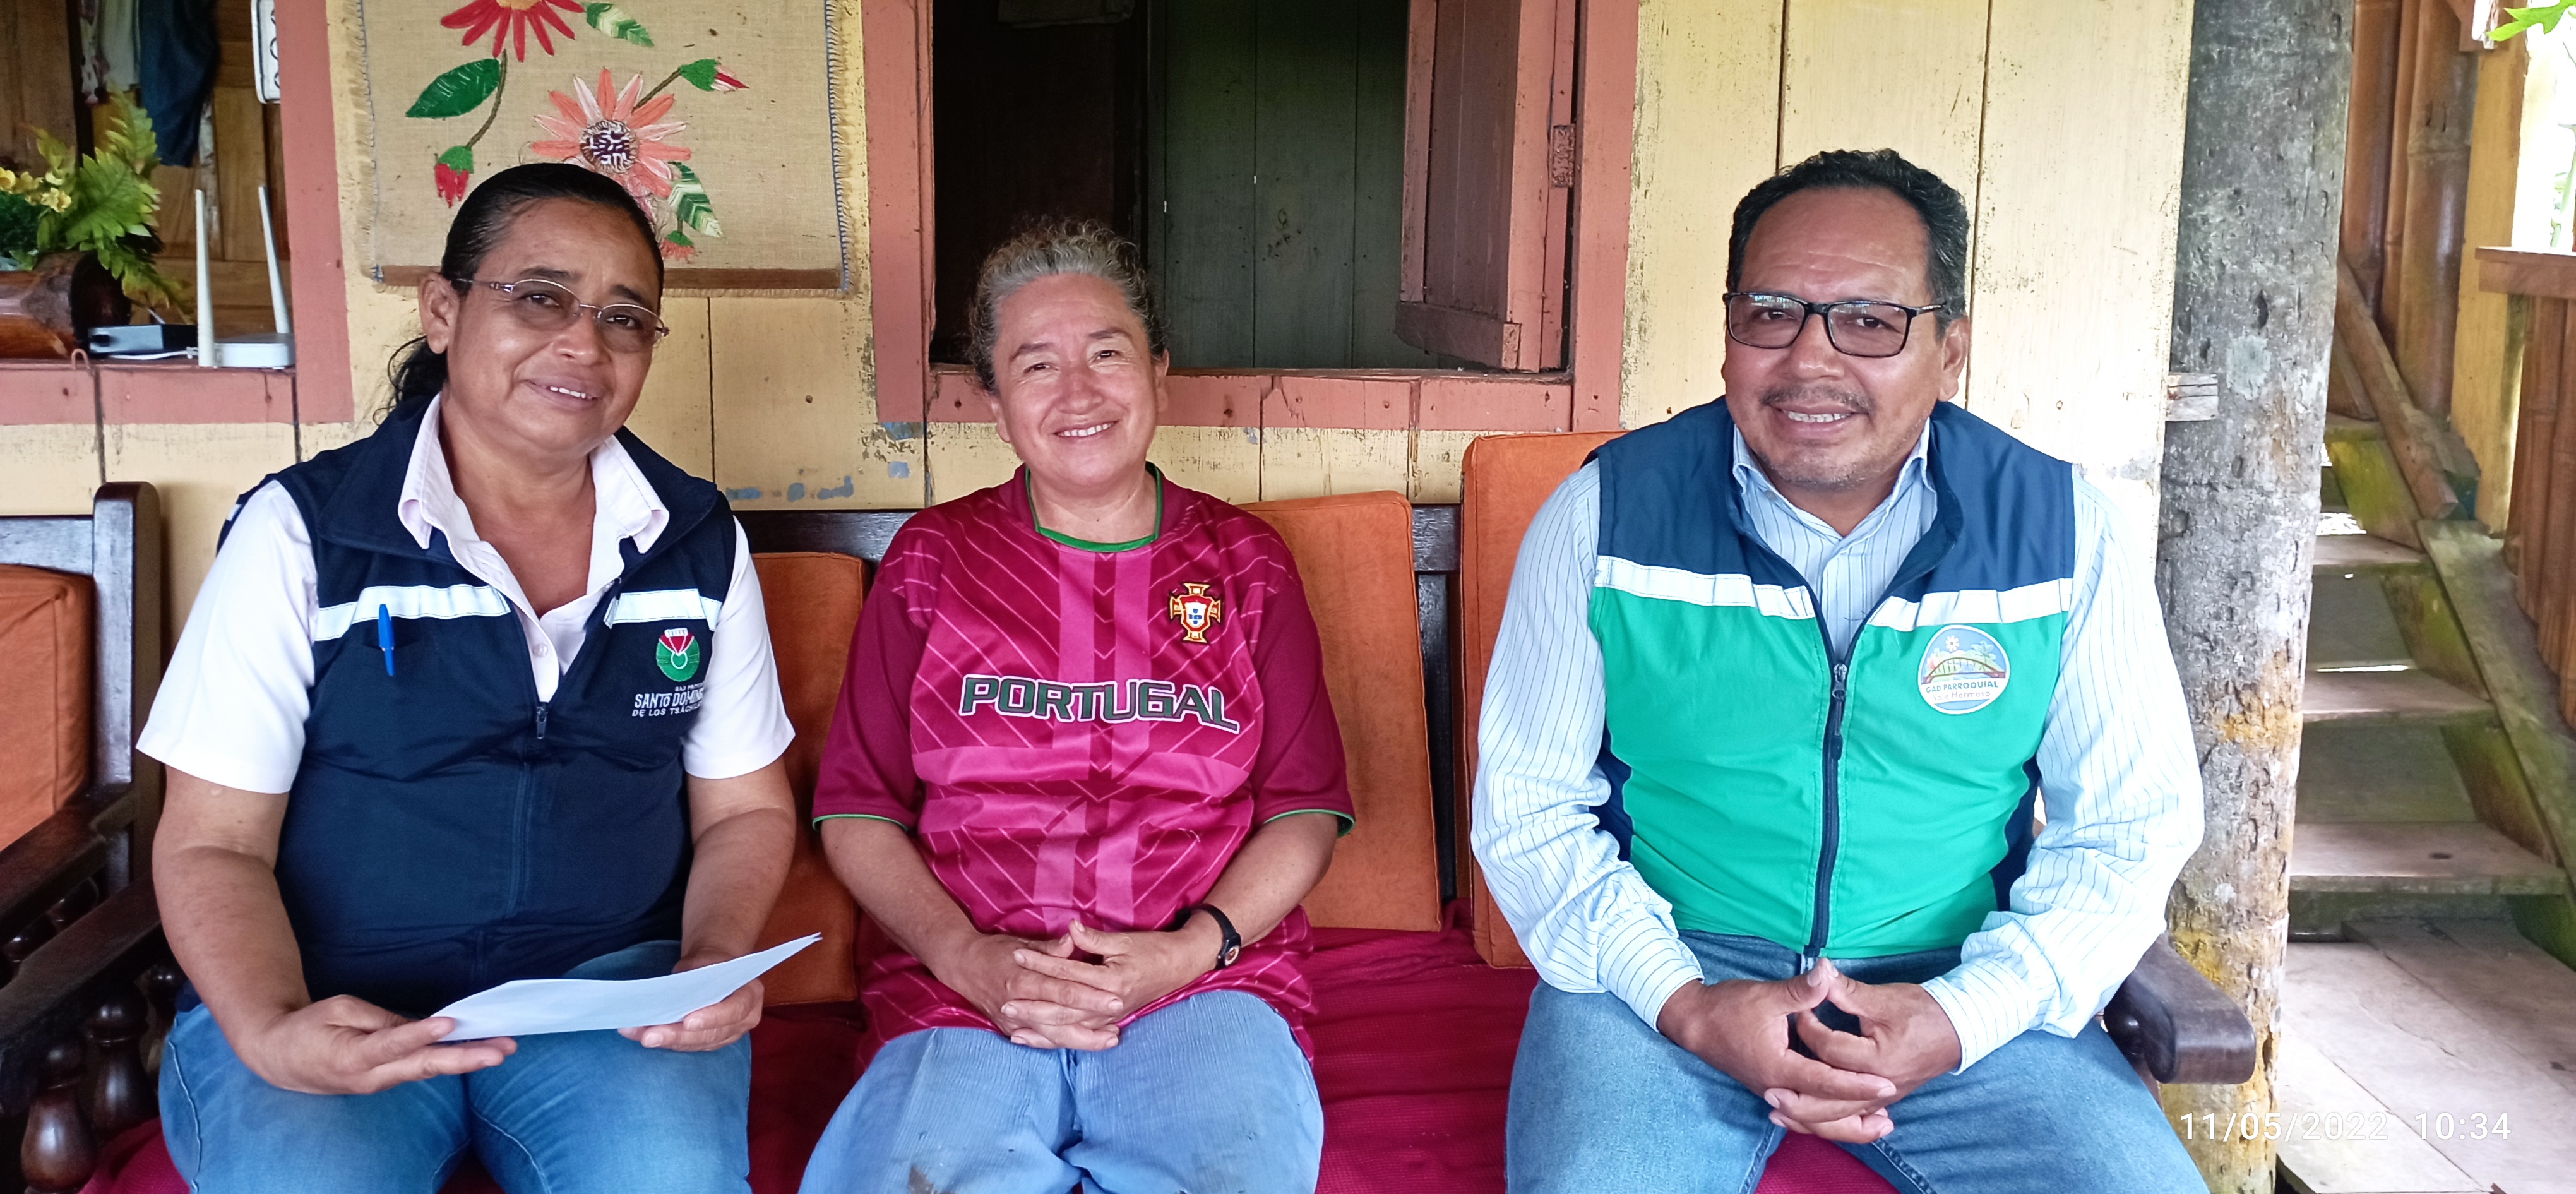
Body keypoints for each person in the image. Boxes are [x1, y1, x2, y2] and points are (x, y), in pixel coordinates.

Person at [1471, 149, 2205, 1192]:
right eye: (1771, 313)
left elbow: (2131, 828)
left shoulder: (2062, 534)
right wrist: (1685, 1002)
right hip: (1672, 971)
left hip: (1958, 972)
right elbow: (1529, 807)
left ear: (1951, 351)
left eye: (1870, 321)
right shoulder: (1606, 518)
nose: (1809, 360)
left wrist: (1964, 1013)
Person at [139, 163, 797, 1193]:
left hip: (608, 1000)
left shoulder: (695, 541)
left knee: (667, 1176)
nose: (583, 343)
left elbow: (747, 809)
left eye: (625, 319)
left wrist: (708, 961)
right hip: (332, 994)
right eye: (539, 298)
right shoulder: (308, 534)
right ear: (443, 311)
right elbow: (212, 841)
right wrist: (271, 1026)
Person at [797, 220, 1352, 1194]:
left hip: (1203, 987)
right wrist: (967, 958)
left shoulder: (1246, 564)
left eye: (1107, 353)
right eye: (1037, 365)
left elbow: (1304, 809)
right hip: (968, 993)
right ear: (995, 401)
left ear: (1158, 370)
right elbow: (858, 811)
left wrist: (1189, 952)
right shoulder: (934, 561)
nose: (1079, 392)